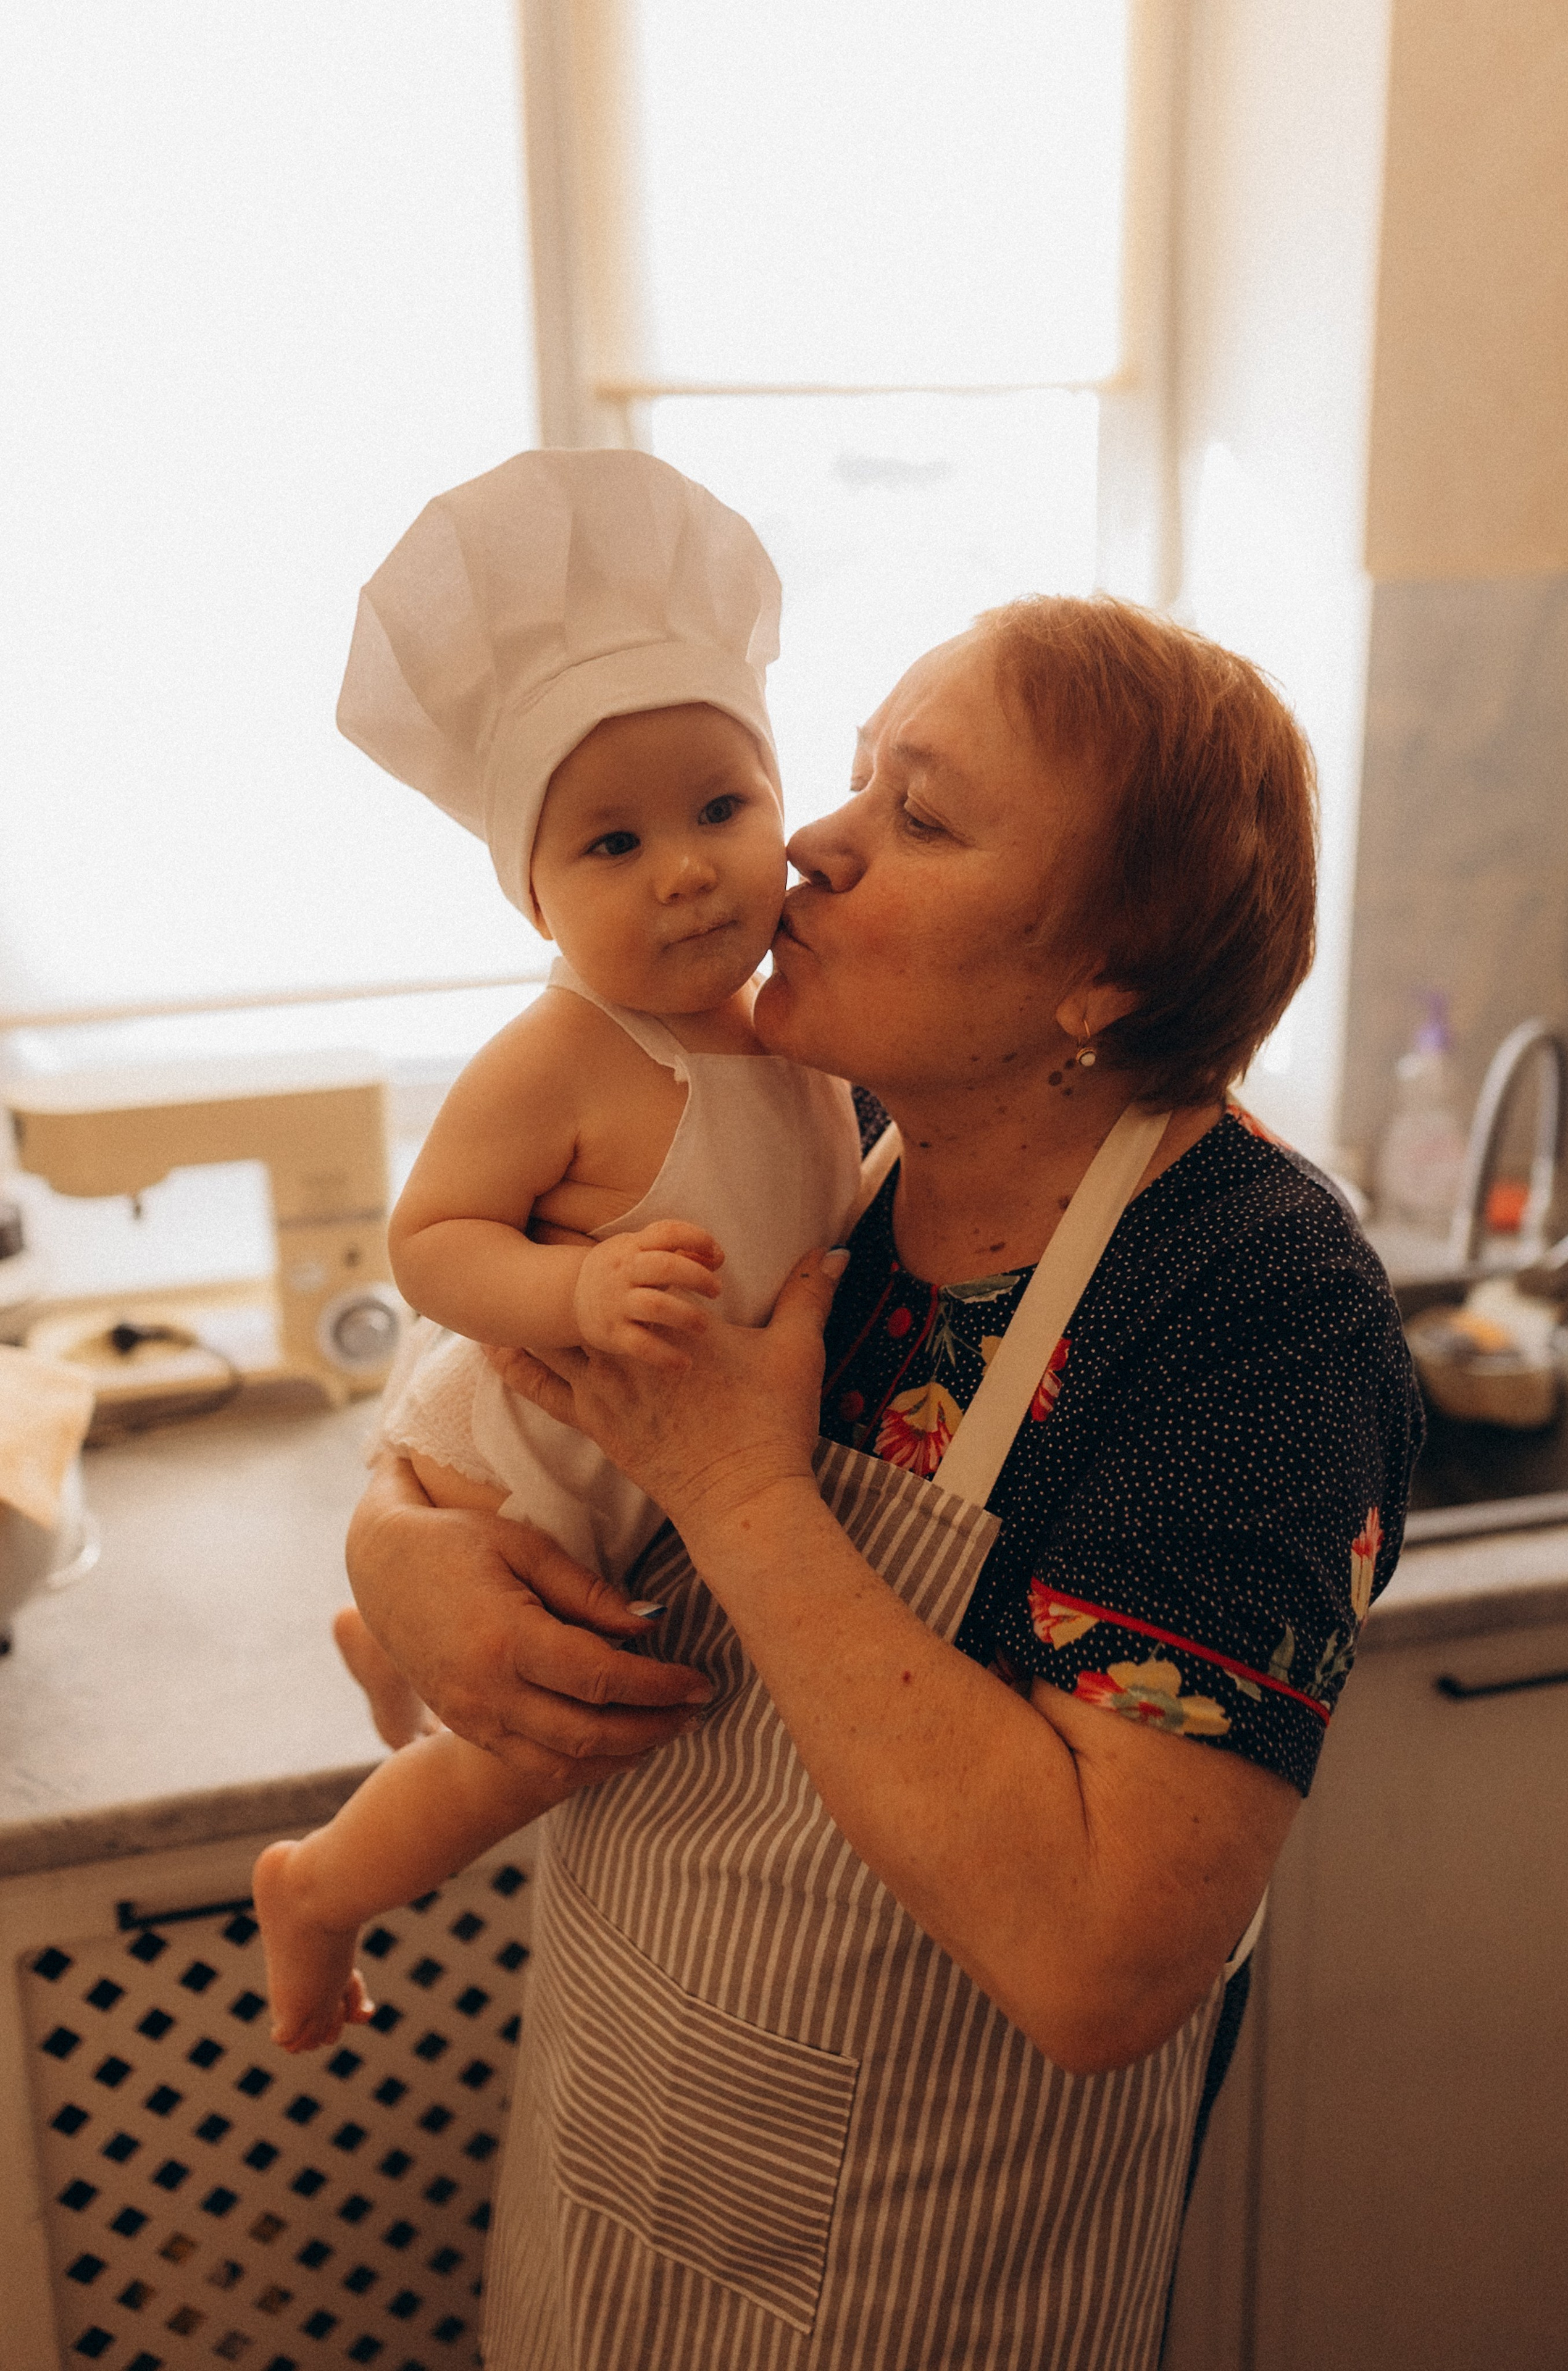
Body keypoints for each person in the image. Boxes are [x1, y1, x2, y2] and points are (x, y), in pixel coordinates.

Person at [342, 591, 1424, 2370]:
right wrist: (400, 1550)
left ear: (1107, 975)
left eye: (918, 816)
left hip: (921, 2292)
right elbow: (486, 1371)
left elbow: (1102, 1965)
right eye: (848, 781)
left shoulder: (1255, 1315)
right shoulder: (807, 1129)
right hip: (608, 2188)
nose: (813, 849)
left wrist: (745, 1499)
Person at [252, 450, 860, 2051]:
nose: (682, 866)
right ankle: (317, 1893)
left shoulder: (798, 1032)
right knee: (530, 1756)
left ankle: (375, 1643)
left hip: (625, 1482)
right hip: (516, 1468)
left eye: (723, 809)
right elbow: (430, 1244)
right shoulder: (567, 1052)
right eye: (609, 845)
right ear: (531, 895)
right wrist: (574, 1285)